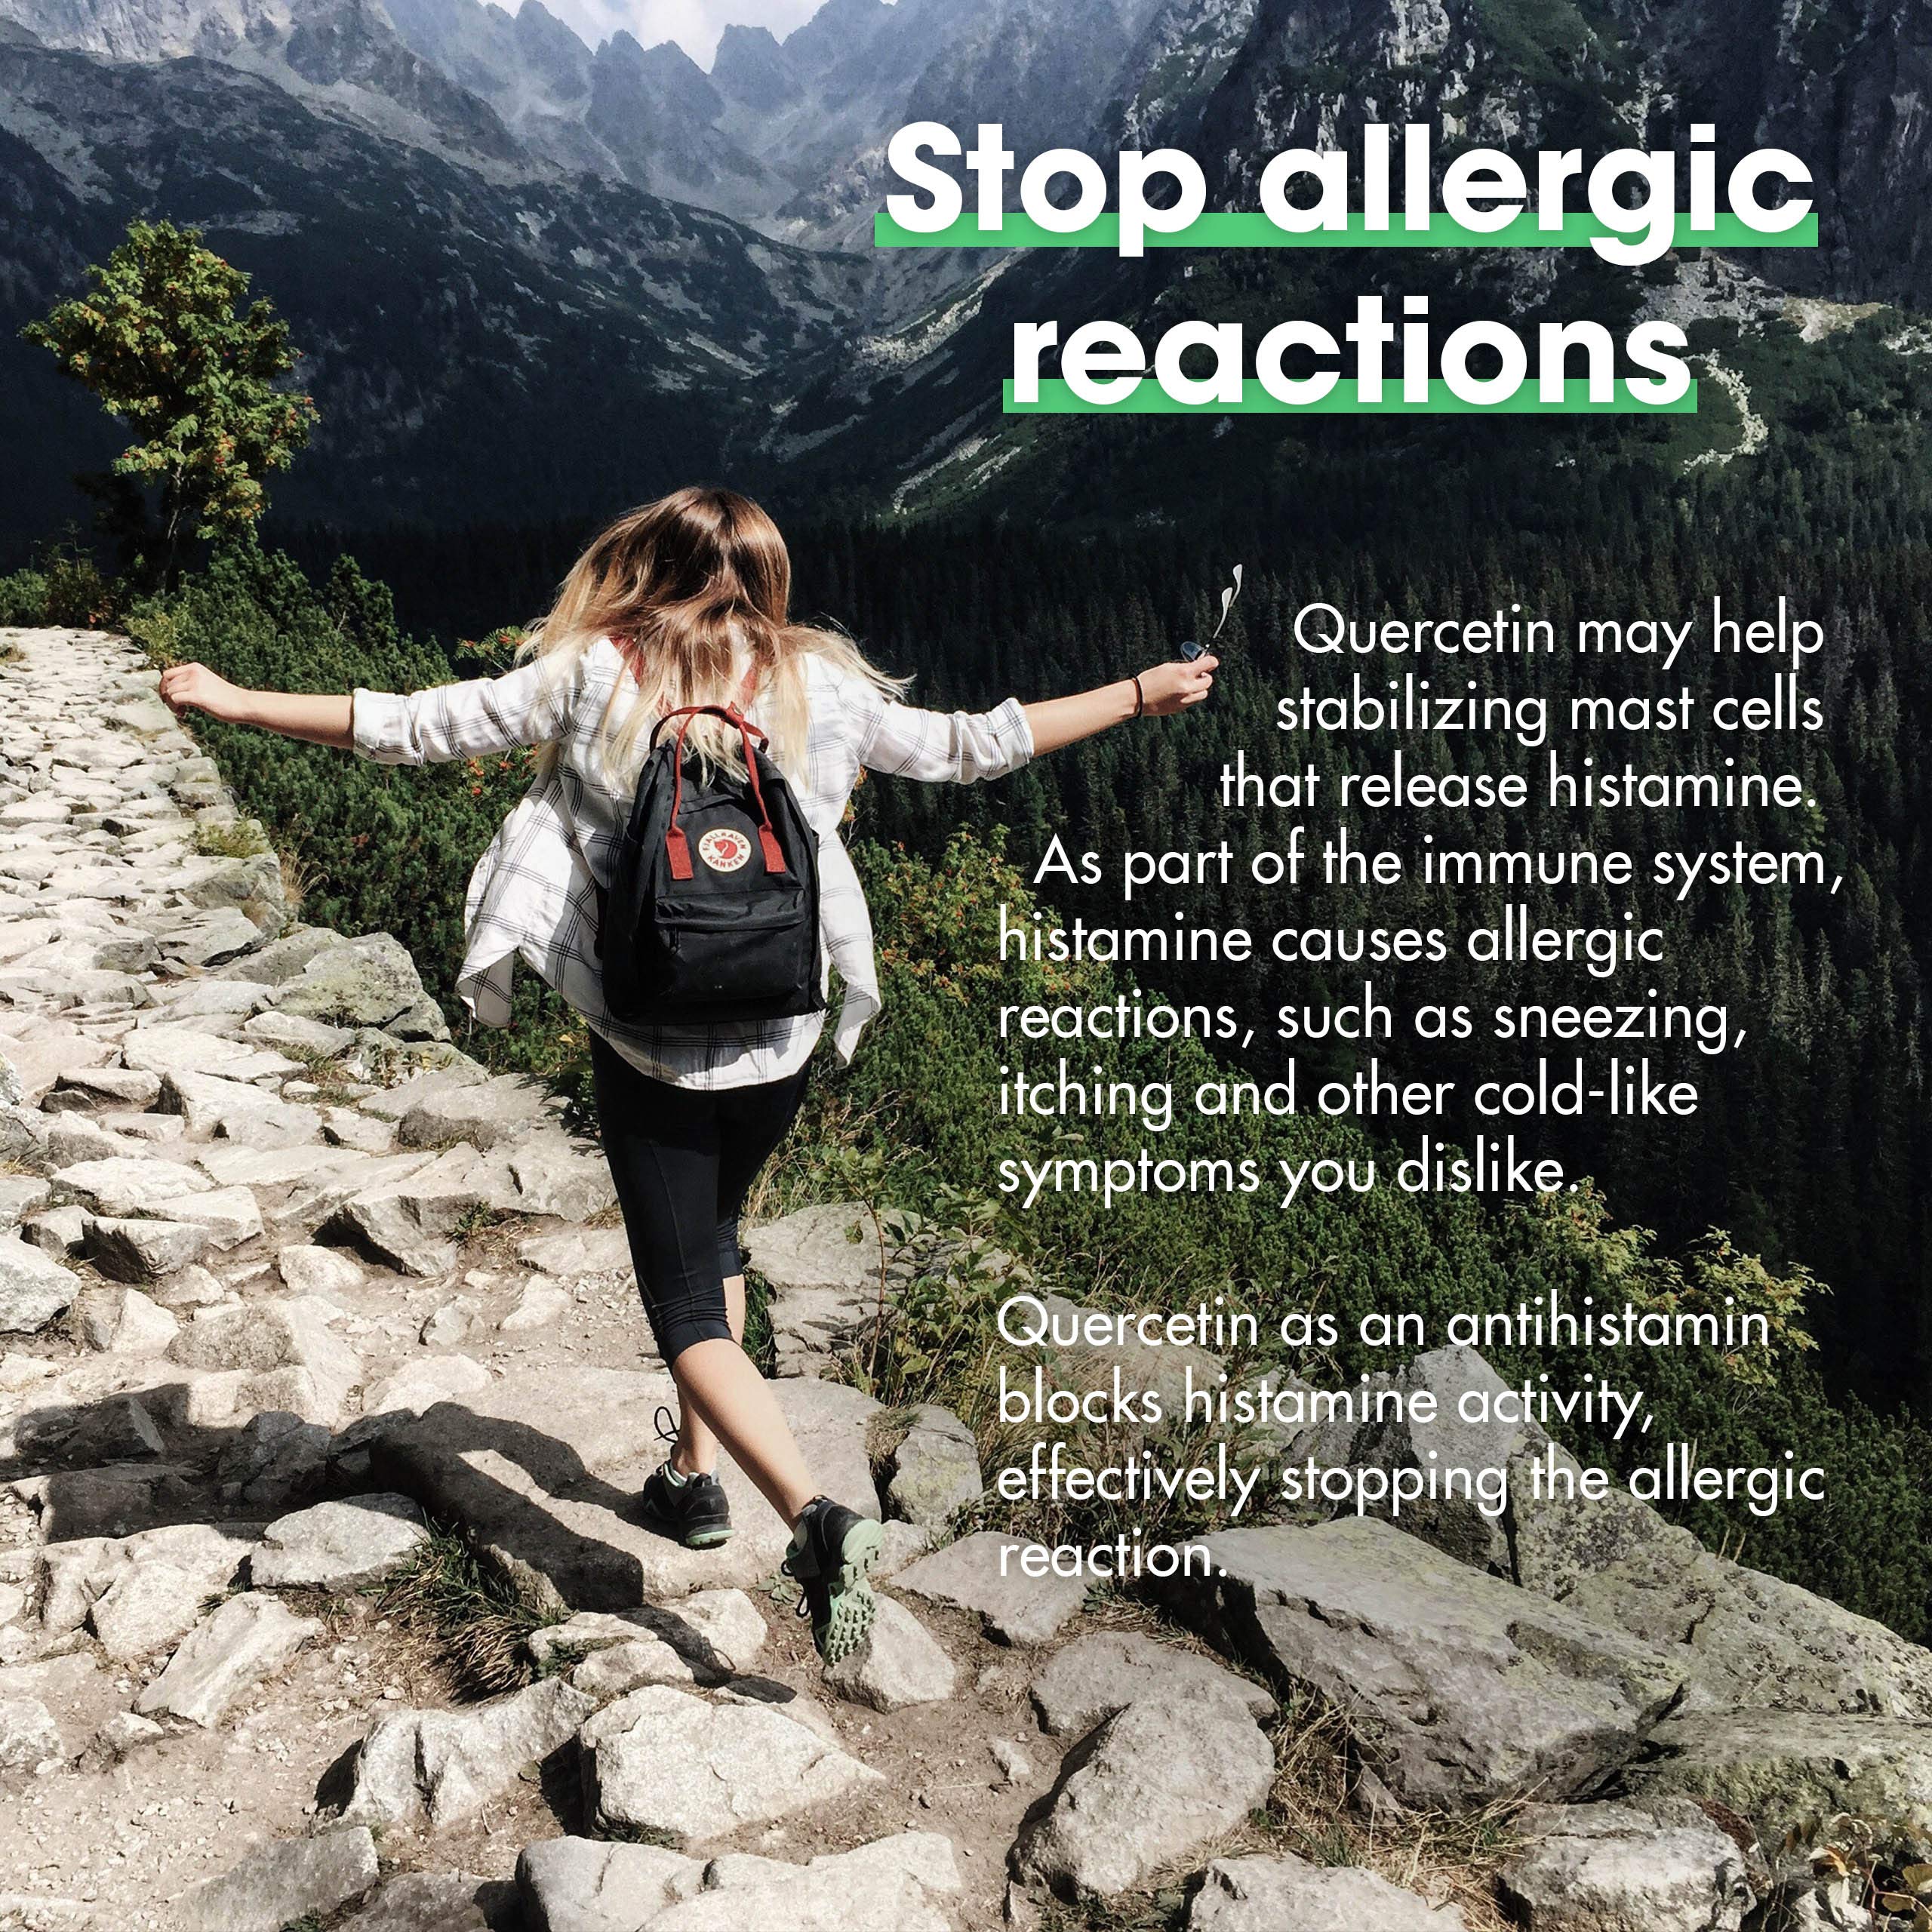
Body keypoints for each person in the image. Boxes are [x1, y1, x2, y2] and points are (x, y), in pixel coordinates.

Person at [158, 486, 1217, 1662]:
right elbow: (977, 747)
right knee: (718, 1238)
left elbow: (418, 724)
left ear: (646, 569)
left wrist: (238, 699)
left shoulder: (591, 671)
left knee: (679, 1295)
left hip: (651, 1039)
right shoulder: (822, 682)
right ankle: (689, 1476)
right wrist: (1140, 691)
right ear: (767, 579)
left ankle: (812, 1520)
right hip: (780, 1032)